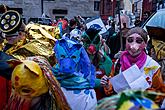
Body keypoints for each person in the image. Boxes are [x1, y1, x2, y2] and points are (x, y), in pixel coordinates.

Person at [101, 27, 165, 106]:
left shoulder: (152, 66)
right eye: (130, 40)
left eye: (139, 41)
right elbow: (112, 90)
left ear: (145, 44)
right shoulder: (118, 63)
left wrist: (143, 94)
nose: (133, 45)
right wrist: (107, 84)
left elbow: (160, 94)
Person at [52, 38, 97, 110]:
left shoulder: (47, 82)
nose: (67, 63)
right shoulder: (88, 93)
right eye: (63, 56)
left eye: (73, 57)